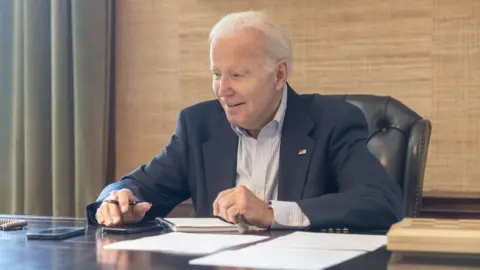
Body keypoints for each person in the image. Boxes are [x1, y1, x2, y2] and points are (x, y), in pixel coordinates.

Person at [87, 11, 403, 231]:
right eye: (216, 74)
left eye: (237, 75)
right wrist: (118, 200)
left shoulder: (332, 121)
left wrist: (271, 213)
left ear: (279, 75)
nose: (222, 90)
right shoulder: (199, 124)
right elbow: (139, 184)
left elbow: (380, 202)